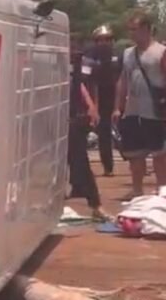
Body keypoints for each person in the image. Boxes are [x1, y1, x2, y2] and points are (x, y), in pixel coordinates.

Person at [114, 12, 166, 197]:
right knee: (135, 155)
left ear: (146, 29)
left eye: (134, 30)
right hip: (132, 112)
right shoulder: (128, 53)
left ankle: (162, 191)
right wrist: (117, 107)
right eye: (130, 30)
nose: (132, 34)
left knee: (159, 154)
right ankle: (137, 191)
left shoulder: (160, 52)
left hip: (155, 111)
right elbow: (123, 80)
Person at [67, 43, 106, 219]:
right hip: (49, 117)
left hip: (71, 118)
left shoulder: (75, 63)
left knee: (80, 160)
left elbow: (79, 84)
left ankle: (95, 205)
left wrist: (91, 105)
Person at [87, 25, 122, 176]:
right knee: (101, 133)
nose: (105, 43)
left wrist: (118, 105)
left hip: (115, 96)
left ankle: (128, 160)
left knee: (117, 130)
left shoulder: (118, 57)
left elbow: (121, 80)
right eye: (101, 40)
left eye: (108, 39)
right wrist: (94, 105)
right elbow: (90, 81)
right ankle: (105, 167)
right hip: (96, 96)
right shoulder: (90, 57)